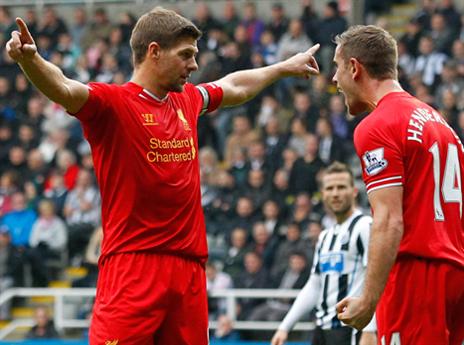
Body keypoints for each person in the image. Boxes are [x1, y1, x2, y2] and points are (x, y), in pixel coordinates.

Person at [6, 7, 320, 345]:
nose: (194, 65)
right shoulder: (113, 104)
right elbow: (65, 88)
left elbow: (234, 86)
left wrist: (283, 67)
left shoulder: (186, 100)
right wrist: (30, 61)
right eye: (186, 55)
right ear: (154, 51)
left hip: (188, 273)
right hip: (132, 268)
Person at [332, 25, 464, 345]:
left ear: (354, 67)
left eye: (337, 67)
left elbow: (389, 220)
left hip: (415, 275)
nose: (334, 80)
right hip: (455, 271)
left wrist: (367, 300)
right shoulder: (438, 121)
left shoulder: (378, 126)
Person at [271, 162, 376, 345]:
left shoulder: (364, 227)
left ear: (354, 191)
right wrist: (285, 326)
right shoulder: (325, 236)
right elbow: (315, 284)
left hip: (351, 330)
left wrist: (370, 330)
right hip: (321, 330)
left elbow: (375, 279)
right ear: (323, 194)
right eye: (330, 188)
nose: (335, 193)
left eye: (341, 187)